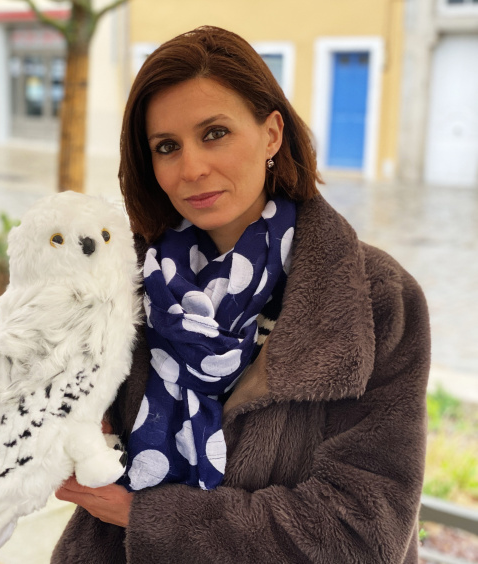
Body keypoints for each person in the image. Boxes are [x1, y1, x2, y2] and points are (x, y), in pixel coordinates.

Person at [51, 26, 430, 563]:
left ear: (271, 133)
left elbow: (361, 532)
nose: (192, 169)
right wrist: (75, 427)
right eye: (167, 147)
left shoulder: (374, 297)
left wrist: (149, 518)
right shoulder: (122, 280)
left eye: (214, 133)